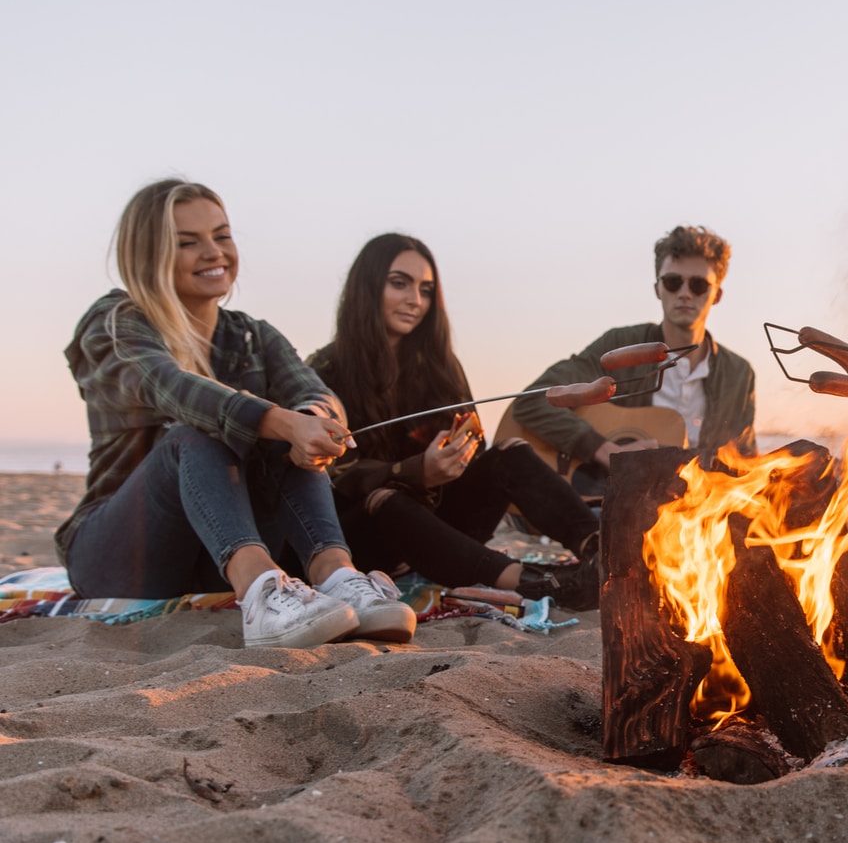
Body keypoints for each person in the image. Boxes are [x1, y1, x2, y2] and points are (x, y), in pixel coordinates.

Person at [56, 180, 413, 648]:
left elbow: (316, 393)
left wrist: (308, 422)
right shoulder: (115, 323)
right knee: (200, 431)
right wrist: (283, 422)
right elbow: (175, 388)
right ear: (148, 254)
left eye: (221, 236)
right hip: (122, 556)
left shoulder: (252, 335)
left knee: (291, 438)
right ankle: (261, 589)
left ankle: (336, 574)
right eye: (188, 243)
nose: (213, 252)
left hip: (211, 554)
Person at [307, 234, 602, 608]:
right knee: (388, 500)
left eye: (426, 289)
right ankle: (534, 582)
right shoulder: (326, 369)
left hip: (444, 531)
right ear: (367, 286)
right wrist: (417, 470)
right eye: (400, 283)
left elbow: (472, 438)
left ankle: (603, 548)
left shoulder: (440, 366)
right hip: (369, 537)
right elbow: (333, 477)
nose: (416, 300)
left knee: (509, 453)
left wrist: (460, 454)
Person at [507, 225, 756, 492]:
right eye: (673, 282)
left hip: (694, 511)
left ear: (716, 294)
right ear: (658, 289)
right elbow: (534, 399)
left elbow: (743, 460)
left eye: (698, 285)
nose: (684, 293)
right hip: (612, 499)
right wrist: (604, 450)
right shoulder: (620, 346)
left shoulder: (738, 374)